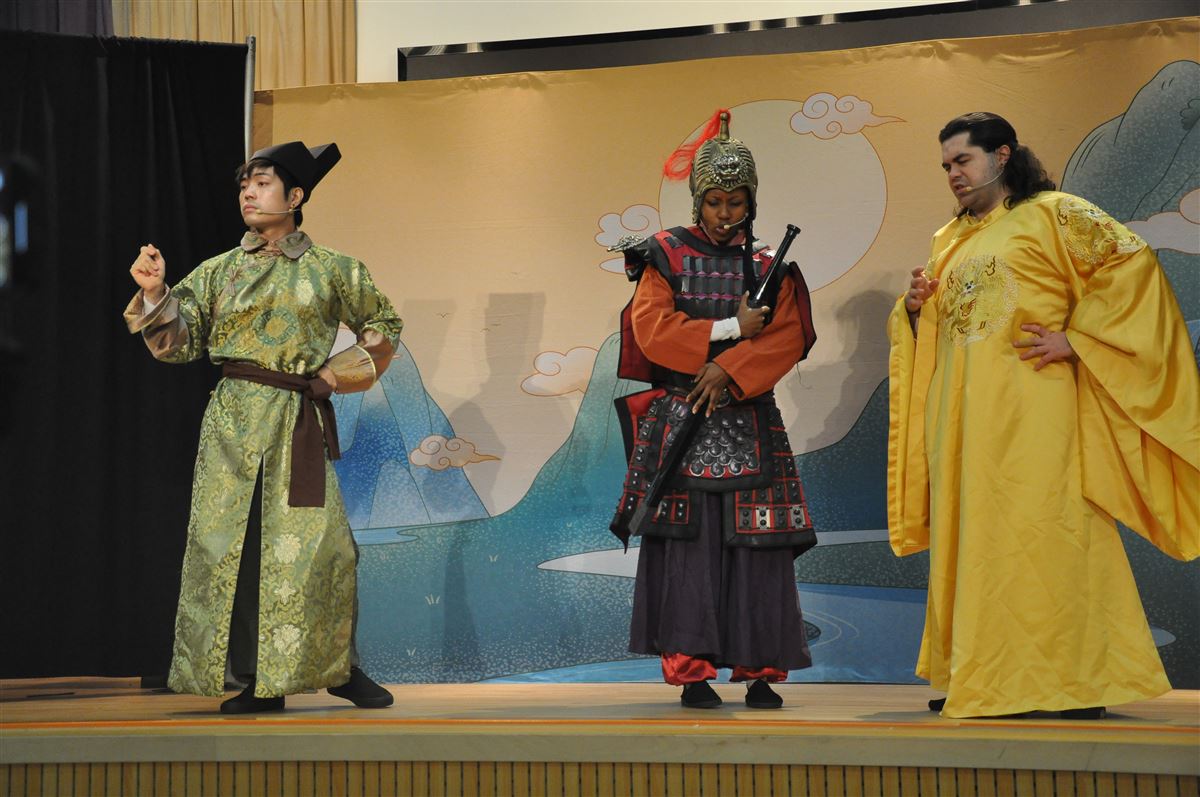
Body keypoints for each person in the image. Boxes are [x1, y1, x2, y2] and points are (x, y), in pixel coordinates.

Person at [888, 112, 1199, 719]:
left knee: (1051, 532)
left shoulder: (1055, 214)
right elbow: (943, 327)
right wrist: (914, 309)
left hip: (1037, 407)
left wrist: (1078, 339)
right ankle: (978, 675)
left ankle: (1077, 684)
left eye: (963, 160)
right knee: (976, 538)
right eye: (946, 165)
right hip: (963, 415)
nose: (953, 174)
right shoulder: (948, 238)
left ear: (1002, 155)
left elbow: (1133, 271)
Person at [125, 141, 403, 713]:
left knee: (321, 548)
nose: (249, 193)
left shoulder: (336, 269)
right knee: (237, 547)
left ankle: (340, 667)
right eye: (245, 185)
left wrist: (334, 374)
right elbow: (180, 345)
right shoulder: (219, 271)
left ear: (295, 196)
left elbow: (384, 325)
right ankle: (262, 679)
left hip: (297, 419)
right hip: (232, 422)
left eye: (263, 183)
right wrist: (155, 294)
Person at [609, 109, 819, 710]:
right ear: (697, 200)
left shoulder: (770, 265)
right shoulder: (665, 256)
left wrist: (729, 370)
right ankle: (693, 671)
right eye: (715, 201)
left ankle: (759, 671)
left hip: (749, 416)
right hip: (683, 416)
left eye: (736, 202)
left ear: (752, 201)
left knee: (757, 547)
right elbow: (652, 329)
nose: (726, 213)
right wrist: (728, 330)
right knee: (689, 549)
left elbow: (787, 335)